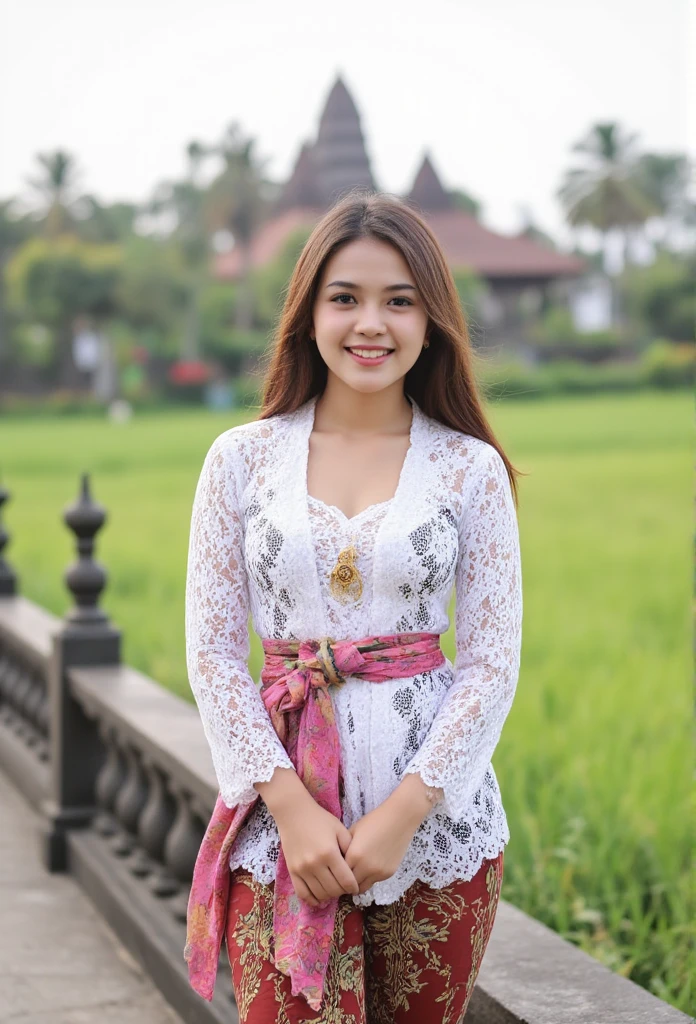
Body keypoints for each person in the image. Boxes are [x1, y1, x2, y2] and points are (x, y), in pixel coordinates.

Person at [183, 189, 524, 1023]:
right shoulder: (242, 461)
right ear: (309, 314)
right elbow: (215, 655)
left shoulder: (468, 470)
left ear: (431, 319)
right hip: (279, 834)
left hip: (438, 837)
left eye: (399, 301)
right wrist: (292, 810)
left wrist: (404, 817)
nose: (371, 323)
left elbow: (489, 665)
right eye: (346, 298)